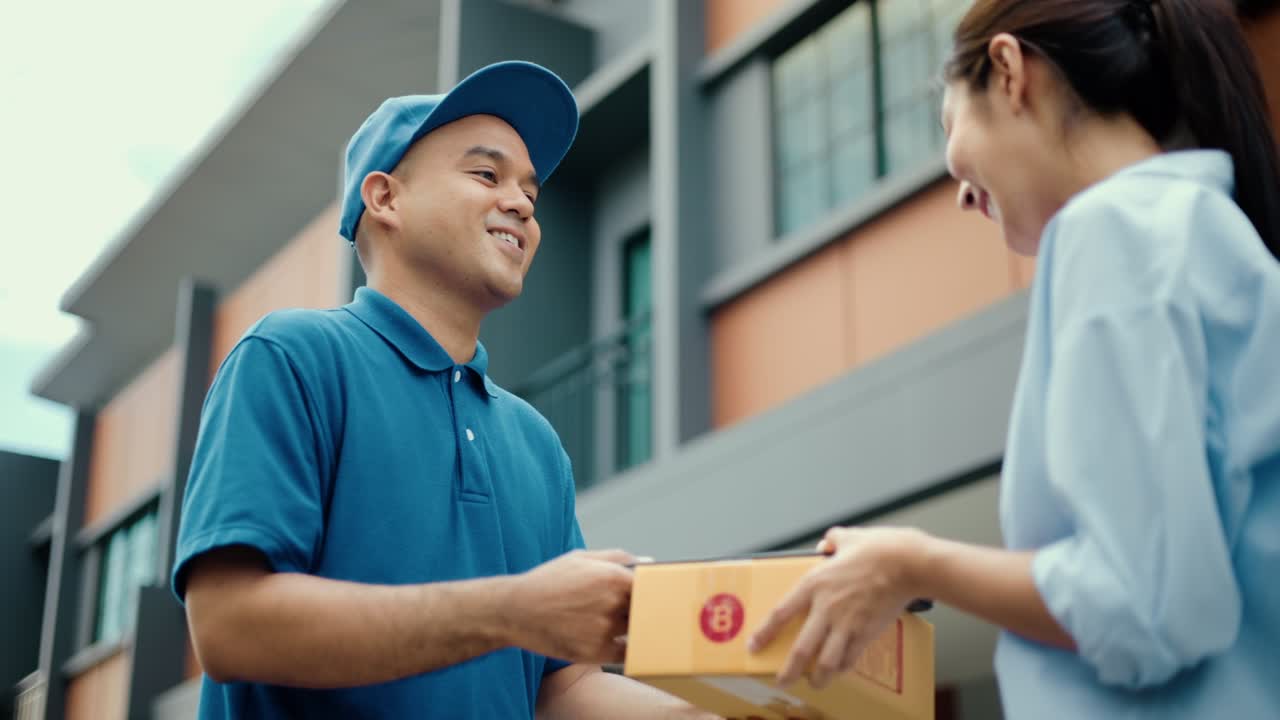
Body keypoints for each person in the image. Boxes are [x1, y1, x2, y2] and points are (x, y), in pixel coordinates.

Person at [748, 0, 1280, 716]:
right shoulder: (1202, 235)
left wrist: (908, 563)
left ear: (1008, 71)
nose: (962, 193)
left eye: (949, 130)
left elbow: (1147, 608)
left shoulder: (1114, 231)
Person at [172, 60, 714, 719]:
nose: (519, 202)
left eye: (530, 193)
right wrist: (513, 610)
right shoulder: (291, 357)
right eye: (487, 175)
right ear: (385, 198)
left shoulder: (535, 441)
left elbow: (564, 689)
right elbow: (231, 626)